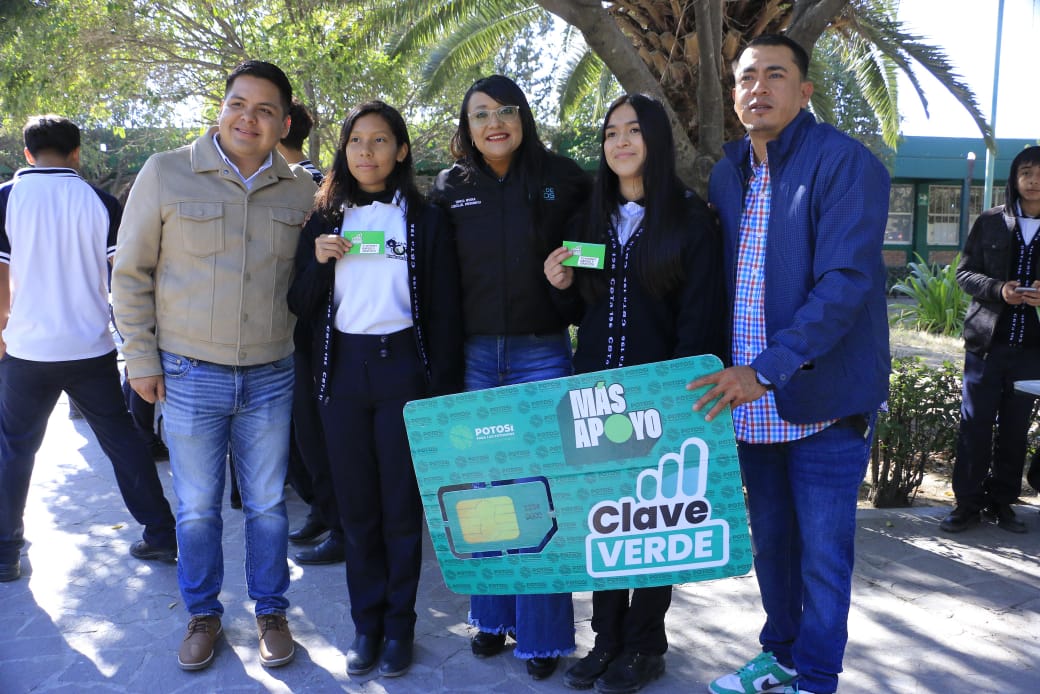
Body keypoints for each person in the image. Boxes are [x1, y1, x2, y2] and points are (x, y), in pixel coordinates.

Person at [687, 35, 890, 694]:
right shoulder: (729, 171)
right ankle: (778, 655)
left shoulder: (844, 164)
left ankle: (817, 679)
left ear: (804, 91)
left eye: (776, 75)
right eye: (747, 77)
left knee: (824, 559)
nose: (758, 88)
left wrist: (765, 369)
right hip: (749, 409)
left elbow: (844, 284)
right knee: (771, 548)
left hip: (821, 401)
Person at [111, 60, 317, 671]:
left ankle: (271, 611)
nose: (247, 118)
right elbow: (130, 273)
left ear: (283, 122)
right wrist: (141, 358)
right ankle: (203, 615)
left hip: (271, 374)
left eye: (263, 110)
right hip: (187, 373)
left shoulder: (303, 191)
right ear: (221, 108)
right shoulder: (168, 172)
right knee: (198, 507)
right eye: (237, 104)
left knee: (267, 505)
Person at [544, 94, 725, 694]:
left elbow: (699, 315)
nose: (620, 142)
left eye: (633, 131)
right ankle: (606, 640)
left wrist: (677, 397)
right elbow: (575, 309)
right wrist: (560, 281)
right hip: (594, 394)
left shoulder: (691, 220)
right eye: (611, 133)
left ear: (655, 140)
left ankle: (646, 644)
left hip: (658, 394)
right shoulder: (588, 221)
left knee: (651, 523)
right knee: (604, 520)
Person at [288, 100, 463, 678]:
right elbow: (299, 305)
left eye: (381, 140)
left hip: (404, 372)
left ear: (401, 150)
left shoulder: (426, 218)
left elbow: (445, 310)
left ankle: (400, 627)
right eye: (357, 141)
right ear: (344, 149)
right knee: (357, 507)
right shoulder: (324, 218)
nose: (367, 151)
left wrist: (442, 385)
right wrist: (317, 264)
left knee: (400, 508)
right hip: (343, 371)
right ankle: (368, 626)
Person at [430, 74, 592, 681]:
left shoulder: (563, 178)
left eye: (504, 111)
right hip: (474, 356)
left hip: (541, 352)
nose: (493, 123)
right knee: (482, 490)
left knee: (540, 490)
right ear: (466, 127)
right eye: (479, 115)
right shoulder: (451, 188)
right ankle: (491, 616)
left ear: (522, 117)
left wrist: (572, 280)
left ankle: (544, 632)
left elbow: (602, 239)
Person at [0, 115, 177, 584]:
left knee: (14, 449)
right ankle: (161, 533)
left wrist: (1, 332)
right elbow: (125, 277)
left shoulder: (6, 198)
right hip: (90, 348)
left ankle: (4, 551)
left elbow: (0, 280)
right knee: (121, 441)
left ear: (27, 153)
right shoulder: (99, 202)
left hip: (26, 351)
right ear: (77, 153)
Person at [940, 145, 1040, 534]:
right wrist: (999, 289)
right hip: (986, 346)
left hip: (1032, 352)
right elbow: (965, 274)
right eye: (1027, 172)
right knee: (975, 426)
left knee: (1016, 430)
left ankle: (1002, 503)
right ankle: (967, 505)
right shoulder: (990, 221)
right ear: (1014, 179)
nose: (1034, 181)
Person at [275, 97, 346, 565]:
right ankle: (325, 511)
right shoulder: (261, 183)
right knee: (302, 435)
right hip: (279, 329)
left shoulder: (320, 188)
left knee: (318, 437)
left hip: (319, 331)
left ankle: (337, 520)